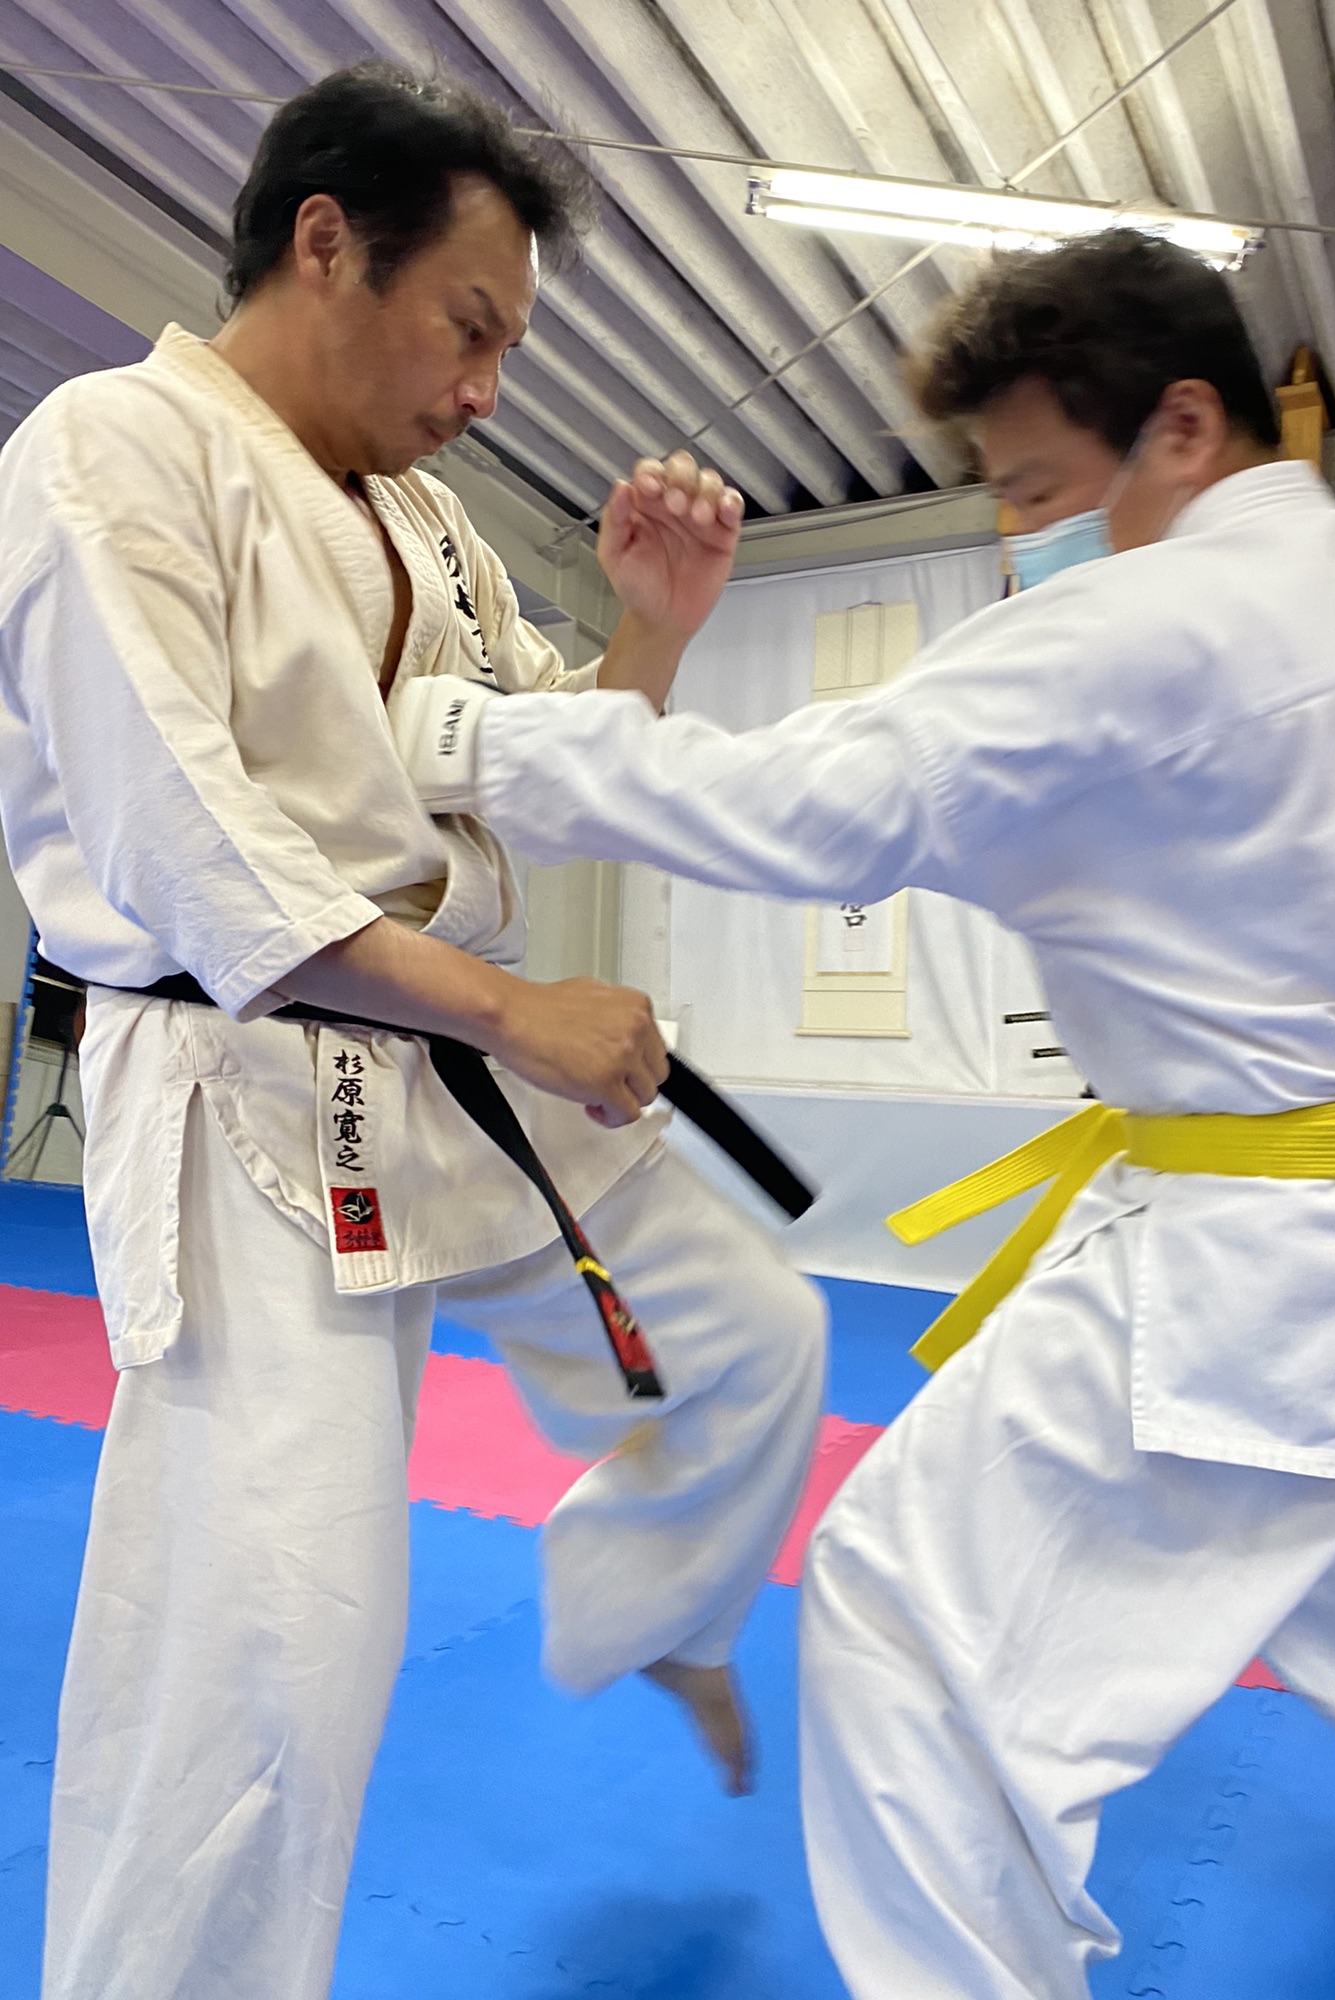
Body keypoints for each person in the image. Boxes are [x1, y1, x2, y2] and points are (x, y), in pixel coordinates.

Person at [389, 229, 1335, 1997]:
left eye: (1039, 486)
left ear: (1184, 426)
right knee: (1313, 1519)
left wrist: (460, 738)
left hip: (1251, 1268)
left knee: (904, 1615)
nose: (1024, 532)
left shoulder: (1145, 624)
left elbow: (808, 805)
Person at [0, 61, 827, 2000]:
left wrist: (653, 629)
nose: (486, 387)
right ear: (325, 243)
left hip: (447, 1080)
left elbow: (534, 761)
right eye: (472, 326)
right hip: (246, 1095)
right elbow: (195, 862)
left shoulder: (434, 527)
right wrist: (521, 1011)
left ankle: (655, 1606)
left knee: (757, 1340)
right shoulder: (111, 450)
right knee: (279, 1660)